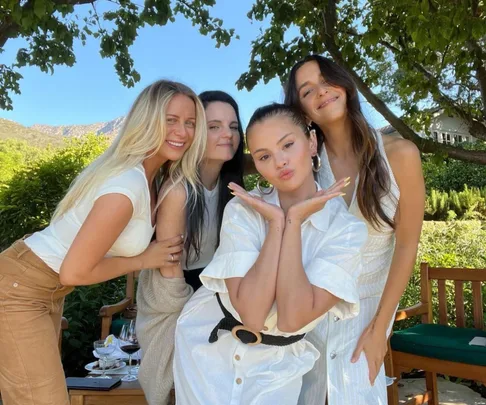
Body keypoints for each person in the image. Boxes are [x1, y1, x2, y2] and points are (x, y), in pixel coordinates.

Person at [0, 79, 207, 405]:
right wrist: (145, 259)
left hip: (44, 289)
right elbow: (74, 272)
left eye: (190, 122)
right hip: (21, 287)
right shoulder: (127, 185)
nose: (182, 131)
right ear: (148, 119)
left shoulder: (149, 179)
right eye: (170, 120)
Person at [172, 103, 368, 405]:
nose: (280, 162)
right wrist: (277, 222)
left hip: (279, 361)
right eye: (264, 156)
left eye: (287, 145)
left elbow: (292, 318)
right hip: (208, 345)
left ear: (312, 142)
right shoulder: (243, 209)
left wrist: (293, 223)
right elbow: (251, 313)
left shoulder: (346, 230)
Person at [285, 55, 425, 405]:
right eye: (307, 90)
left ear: (345, 85)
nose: (321, 91)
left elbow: (407, 245)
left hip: (366, 319)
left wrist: (380, 328)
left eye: (326, 80)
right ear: (302, 110)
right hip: (309, 323)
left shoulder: (400, 154)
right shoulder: (305, 169)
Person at [136, 90, 245, 405]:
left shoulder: (229, 184)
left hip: (212, 287)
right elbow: (169, 269)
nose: (227, 134)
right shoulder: (179, 191)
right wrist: (199, 313)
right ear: (196, 133)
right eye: (214, 126)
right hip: (173, 294)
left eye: (233, 126)